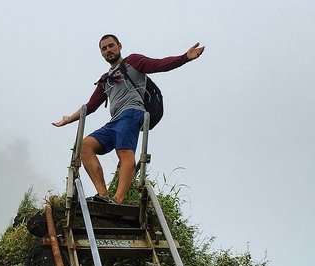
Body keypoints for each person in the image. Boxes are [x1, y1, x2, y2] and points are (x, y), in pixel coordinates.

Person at [52, 34, 204, 203]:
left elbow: (160, 64)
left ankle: (118, 200)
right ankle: (103, 195)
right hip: (114, 121)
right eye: (104, 48)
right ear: (101, 53)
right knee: (85, 146)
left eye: (111, 46)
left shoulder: (133, 61)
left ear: (119, 46)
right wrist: (69, 118)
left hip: (132, 112)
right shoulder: (105, 79)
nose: (108, 50)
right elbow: (91, 106)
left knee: (124, 152)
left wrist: (185, 57)